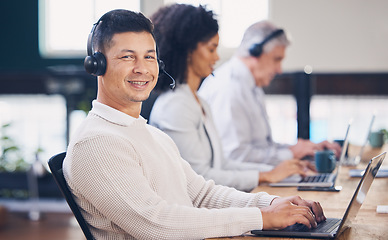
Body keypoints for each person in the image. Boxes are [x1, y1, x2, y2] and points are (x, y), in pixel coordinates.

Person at [63, 9, 325, 239]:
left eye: (150, 57)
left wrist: (271, 202)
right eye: (127, 57)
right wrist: (263, 218)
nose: (142, 68)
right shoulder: (96, 142)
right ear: (96, 65)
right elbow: (156, 223)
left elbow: (202, 194)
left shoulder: (151, 135)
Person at [149, 4, 313, 192]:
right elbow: (199, 177)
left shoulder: (198, 102)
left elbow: (222, 164)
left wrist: (279, 171)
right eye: (211, 49)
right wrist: (266, 175)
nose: (217, 57)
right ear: (188, 51)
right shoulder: (176, 106)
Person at [198, 20, 341, 167]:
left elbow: (263, 147)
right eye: (276, 59)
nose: (279, 70)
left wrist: (302, 148)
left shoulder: (252, 86)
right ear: (254, 51)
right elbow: (235, 156)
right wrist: (291, 154)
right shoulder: (228, 89)